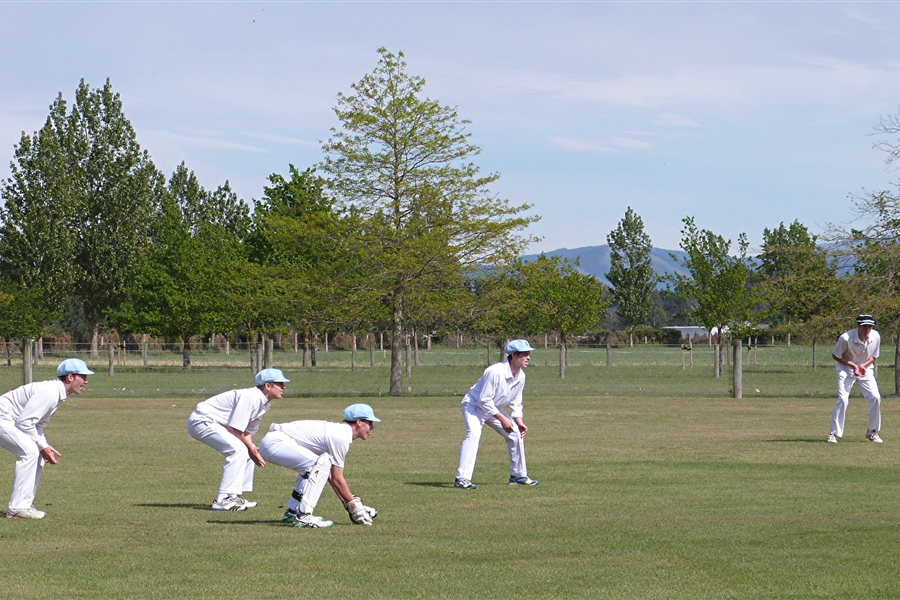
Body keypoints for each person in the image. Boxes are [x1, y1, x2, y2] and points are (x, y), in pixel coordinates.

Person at [259, 403, 380, 528]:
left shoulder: (341, 432)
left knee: (314, 467)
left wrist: (350, 504)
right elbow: (336, 478)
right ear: (359, 422)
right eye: (370, 423)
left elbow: (332, 477)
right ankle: (304, 516)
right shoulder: (341, 436)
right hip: (275, 443)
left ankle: (293, 512)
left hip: (273, 442)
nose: (372, 428)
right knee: (318, 466)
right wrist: (354, 506)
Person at [0, 358, 93, 519]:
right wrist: (42, 446)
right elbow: (25, 422)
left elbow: (37, 425)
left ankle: (24, 505)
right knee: (30, 452)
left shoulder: (58, 394)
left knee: (35, 453)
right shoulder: (50, 392)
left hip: (10, 421)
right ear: (70, 377)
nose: (86, 381)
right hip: (4, 419)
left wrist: (45, 446)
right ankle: (17, 508)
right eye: (83, 376)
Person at [187, 368, 289, 511]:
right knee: (239, 449)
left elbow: (246, 432)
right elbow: (234, 429)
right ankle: (222, 500)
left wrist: (252, 448)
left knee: (246, 448)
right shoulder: (251, 397)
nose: (284, 387)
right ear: (268, 386)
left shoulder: (263, 404)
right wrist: (250, 449)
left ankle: (234, 497)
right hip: (202, 421)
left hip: (214, 423)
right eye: (280, 384)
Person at [454, 339, 540, 489]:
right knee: (473, 435)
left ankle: (518, 476)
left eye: (529, 354)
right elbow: (483, 400)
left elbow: (516, 402)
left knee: (515, 434)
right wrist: (502, 419)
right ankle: (462, 479)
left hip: (492, 407)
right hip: (473, 406)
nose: (529, 357)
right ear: (514, 355)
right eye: (525, 354)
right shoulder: (495, 372)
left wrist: (518, 421)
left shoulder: (521, 376)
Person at [827, 314, 882, 444]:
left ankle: (872, 432)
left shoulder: (876, 336)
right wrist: (853, 365)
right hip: (845, 368)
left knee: (875, 397)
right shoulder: (845, 338)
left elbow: (874, 356)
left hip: (865, 369)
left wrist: (862, 366)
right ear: (858, 325)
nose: (867, 329)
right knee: (843, 399)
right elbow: (835, 356)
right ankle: (833, 433)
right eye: (864, 326)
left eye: (870, 326)